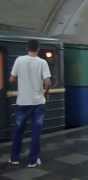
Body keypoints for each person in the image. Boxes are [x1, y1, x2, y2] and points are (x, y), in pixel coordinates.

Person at [8, 40, 51, 168]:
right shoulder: (42, 62)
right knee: (35, 133)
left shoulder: (19, 60)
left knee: (18, 131)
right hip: (38, 103)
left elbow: (11, 79)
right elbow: (47, 82)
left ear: (27, 48)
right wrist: (45, 93)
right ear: (38, 49)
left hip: (22, 102)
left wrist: (19, 79)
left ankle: (14, 158)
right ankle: (33, 160)